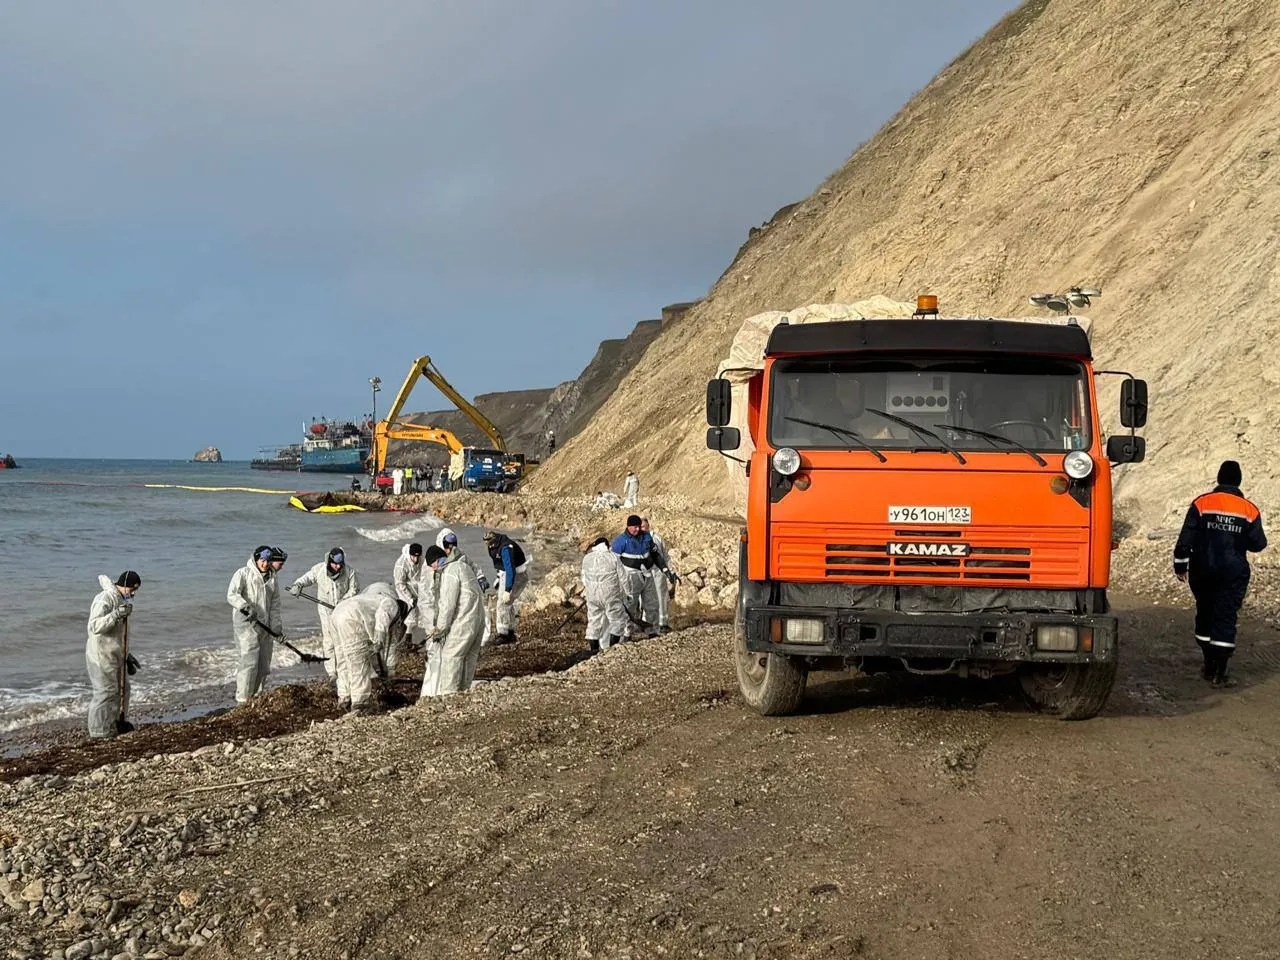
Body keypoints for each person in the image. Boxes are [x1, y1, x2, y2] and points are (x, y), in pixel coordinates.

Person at [1173, 460, 1267, 687]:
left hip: (1202, 569)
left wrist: (1180, 565)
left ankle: (1207, 664)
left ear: (1219, 478)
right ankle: (1220, 673)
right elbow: (1258, 544)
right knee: (1225, 616)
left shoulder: (1202, 503)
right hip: (1233, 573)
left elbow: (1186, 538)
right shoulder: (1249, 509)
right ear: (1239, 481)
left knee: (1205, 611)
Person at [288, 547, 361, 696]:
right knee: (329, 641)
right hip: (325, 610)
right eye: (335, 564)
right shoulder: (319, 570)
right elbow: (307, 578)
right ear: (329, 561)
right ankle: (332, 673)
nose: (338, 567)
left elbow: (354, 589)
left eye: (340, 564)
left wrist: (343, 602)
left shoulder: (349, 572)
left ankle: (344, 669)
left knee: (342, 640)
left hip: (342, 609)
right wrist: (297, 585)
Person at [328, 584, 409, 713]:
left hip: (337, 613)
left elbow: (375, 652)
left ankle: (344, 697)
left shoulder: (373, 599)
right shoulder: (393, 604)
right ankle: (360, 703)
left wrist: (380, 669)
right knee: (358, 661)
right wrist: (379, 639)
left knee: (342, 659)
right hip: (352, 617)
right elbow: (383, 616)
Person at [420, 545, 486, 697]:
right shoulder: (464, 566)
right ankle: (463, 692)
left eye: (433, 565)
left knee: (451, 656)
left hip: (465, 621)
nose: (434, 570)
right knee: (468, 658)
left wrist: (440, 629)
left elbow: (448, 605)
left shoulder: (450, 572)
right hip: (478, 619)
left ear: (437, 559)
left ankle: (449, 695)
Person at [86, 571, 141, 739]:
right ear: (123, 585)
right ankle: (98, 731)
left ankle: (116, 722)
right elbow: (94, 626)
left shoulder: (122, 601)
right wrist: (115, 614)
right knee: (105, 692)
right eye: (131, 589)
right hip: (101, 654)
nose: (132, 593)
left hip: (117, 654)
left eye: (135, 591)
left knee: (123, 689)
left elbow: (119, 634)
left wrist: (127, 655)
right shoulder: (105, 599)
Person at [227, 546, 281, 704]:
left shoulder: (272, 577)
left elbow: (275, 604)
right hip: (246, 624)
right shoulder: (243, 573)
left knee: (263, 663)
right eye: (262, 560)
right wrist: (245, 607)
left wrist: (276, 626)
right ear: (256, 559)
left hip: (265, 625)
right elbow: (232, 594)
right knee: (249, 661)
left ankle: (256, 697)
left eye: (267, 561)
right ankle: (243, 700)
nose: (265, 564)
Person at [611, 515, 671, 637]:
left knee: (652, 604)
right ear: (628, 527)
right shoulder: (620, 541)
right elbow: (612, 562)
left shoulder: (646, 537)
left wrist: (665, 569)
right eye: (634, 527)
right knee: (630, 606)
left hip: (647, 576)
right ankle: (627, 634)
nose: (637, 529)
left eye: (639, 527)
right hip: (631, 578)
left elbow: (656, 555)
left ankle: (652, 631)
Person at [580, 536, 629, 652]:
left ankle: (594, 650)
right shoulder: (613, 557)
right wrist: (628, 593)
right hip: (610, 595)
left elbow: (583, 578)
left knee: (593, 621)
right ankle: (611, 649)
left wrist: (591, 590)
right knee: (617, 620)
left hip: (592, 596)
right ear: (607, 546)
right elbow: (624, 578)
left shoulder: (587, 558)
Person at [483, 530, 528, 645]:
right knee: (508, 604)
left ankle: (503, 634)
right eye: (487, 543)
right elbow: (500, 564)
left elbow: (510, 569)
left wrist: (508, 589)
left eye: (491, 543)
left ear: (495, 540)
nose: (489, 546)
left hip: (517, 575)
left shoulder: (506, 548)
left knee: (503, 603)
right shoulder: (492, 547)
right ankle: (510, 631)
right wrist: (499, 577)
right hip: (505, 574)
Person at [640, 518, 679, 633]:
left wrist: (670, 571)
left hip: (658, 573)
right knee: (645, 600)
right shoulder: (637, 540)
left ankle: (663, 623)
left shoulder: (657, 538)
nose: (641, 528)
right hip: (645, 574)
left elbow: (665, 557)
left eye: (643, 526)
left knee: (661, 597)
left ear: (648, 526)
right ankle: (646, 624)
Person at [393, 543, 425, 649]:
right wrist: (410, 598)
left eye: (417, 556)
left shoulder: (420, 559)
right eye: (413, 556)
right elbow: (399, 583)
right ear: (410, 554)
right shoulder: (401, 565)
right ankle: (406, 641)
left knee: (420, 615)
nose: (416, 559)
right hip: (404, 590)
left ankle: (412, 639)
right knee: (410, 616)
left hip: (418, 588)